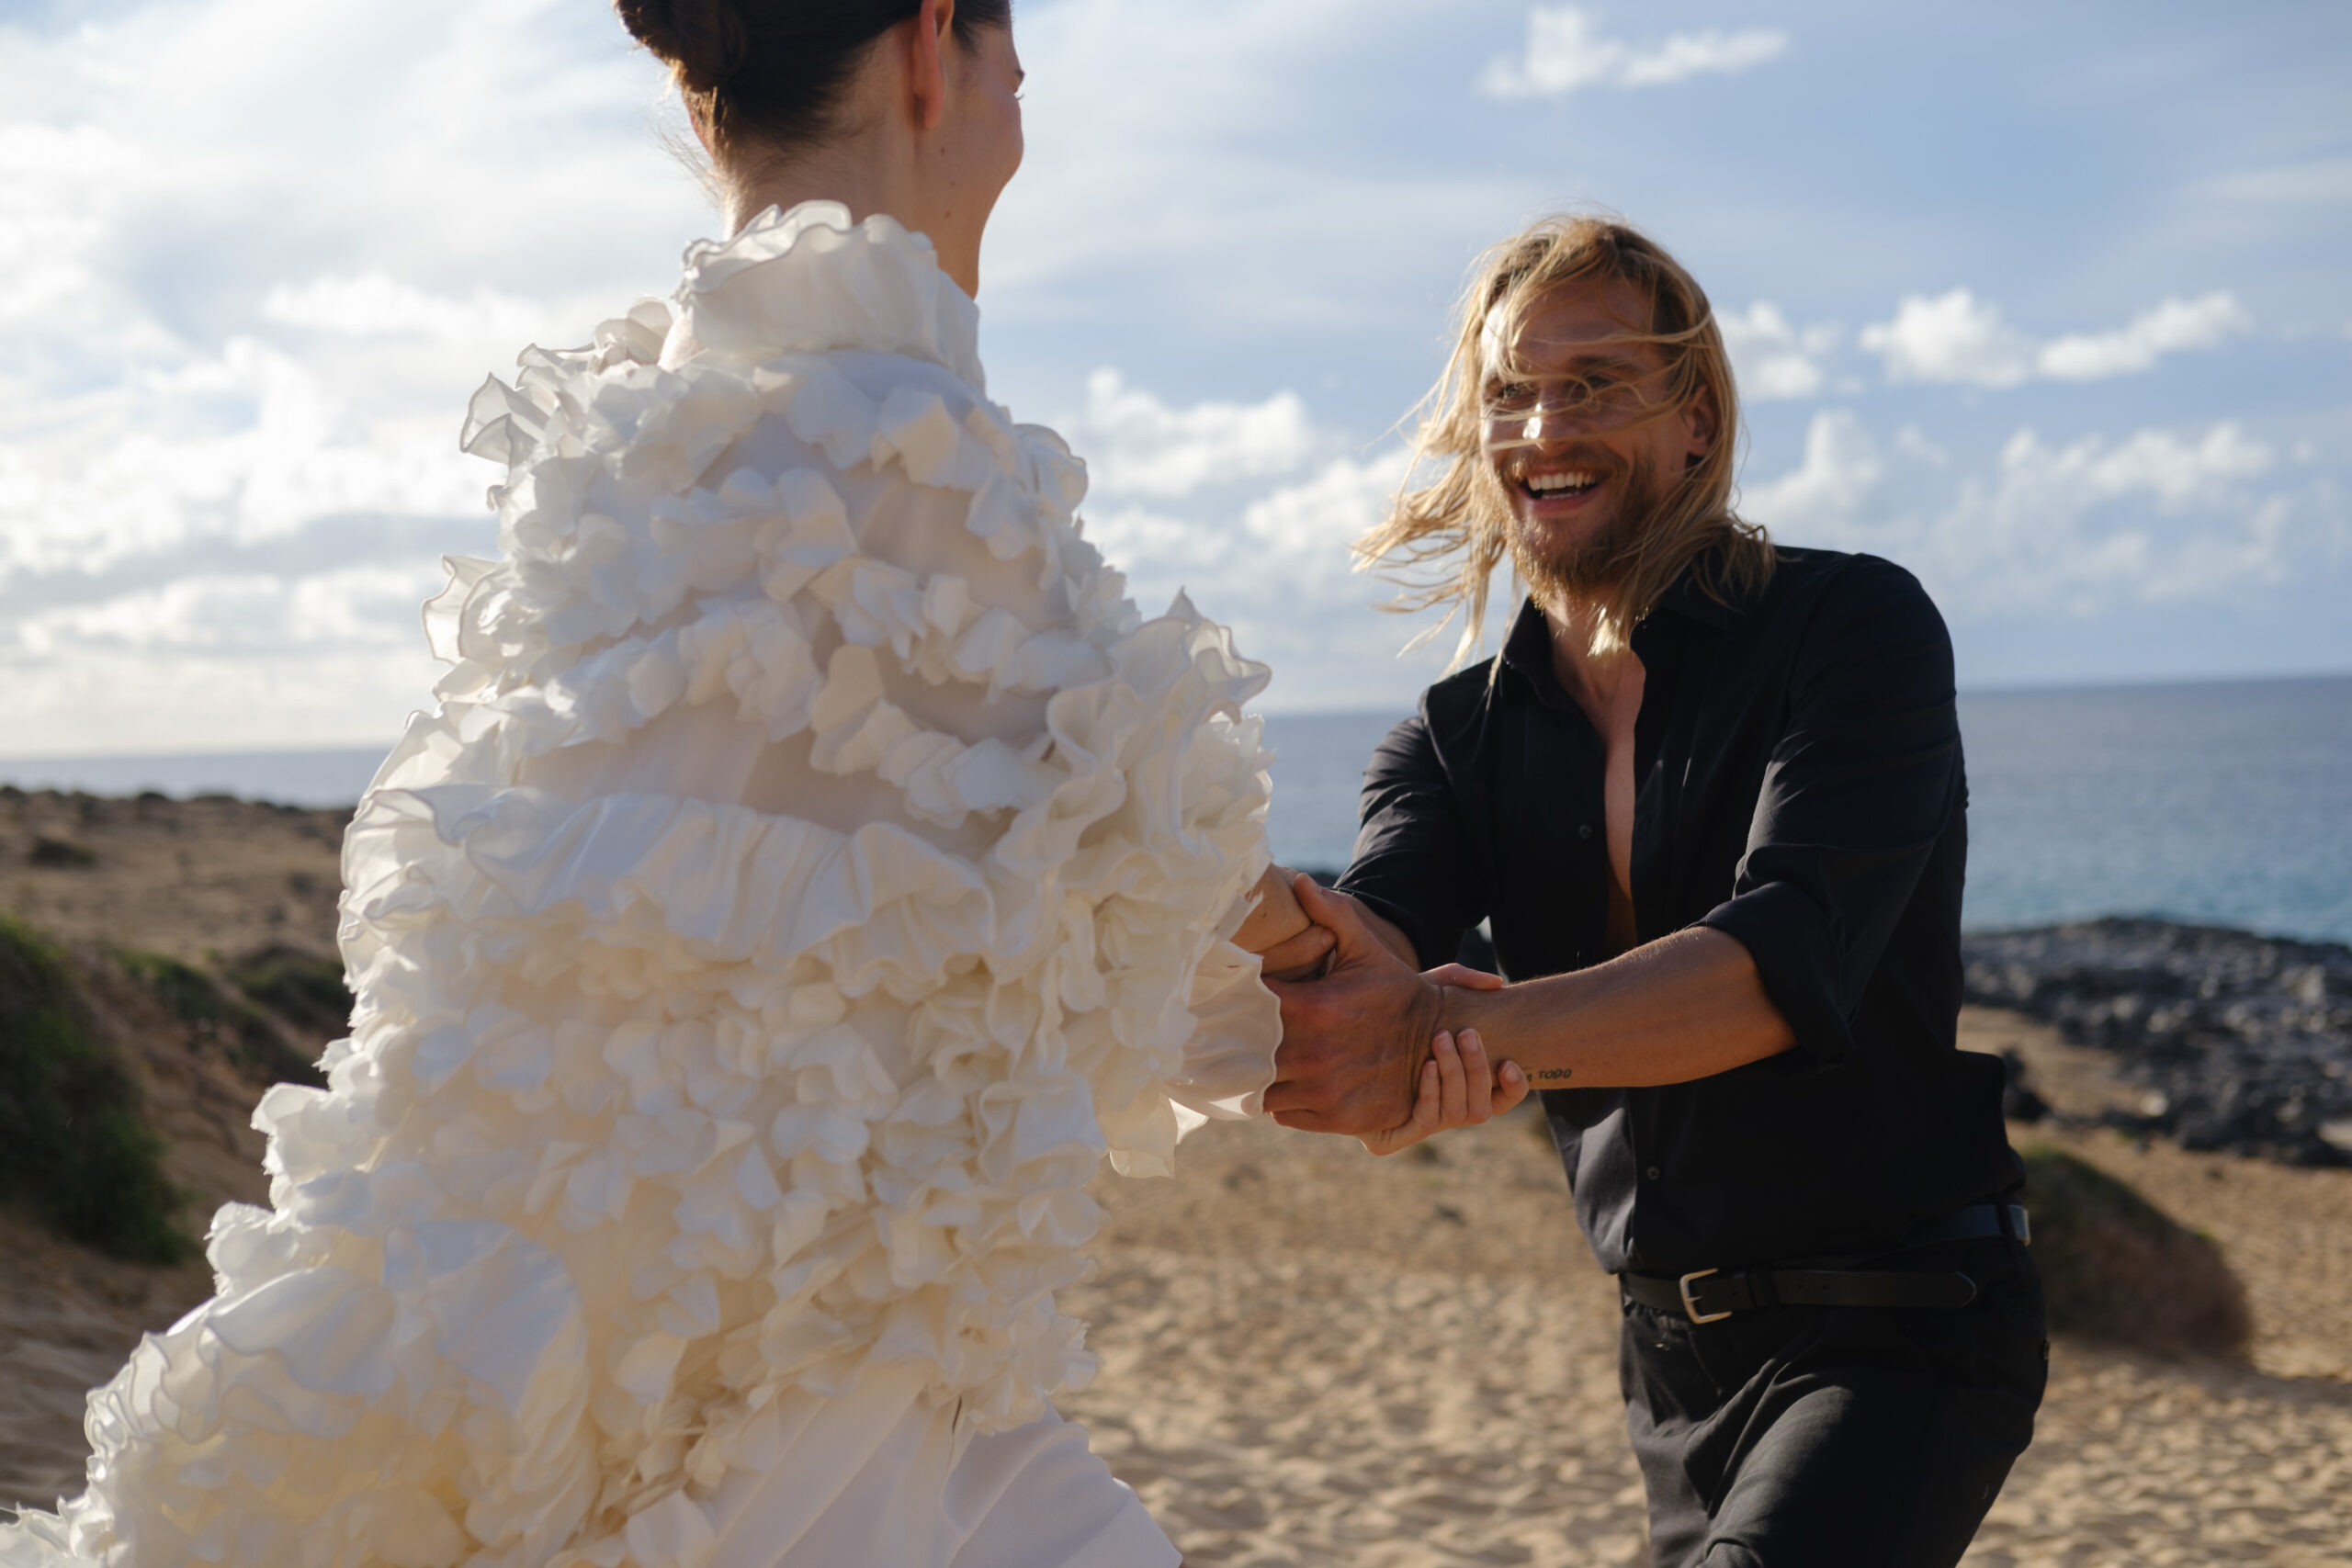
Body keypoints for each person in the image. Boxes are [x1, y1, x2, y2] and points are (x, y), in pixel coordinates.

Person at [0, 6, 1521, 1566]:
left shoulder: (627, 462)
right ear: (931, 46)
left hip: (568, 1327)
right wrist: (1390, 1015)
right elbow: (1115, 893)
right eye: (1008, 44)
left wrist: (1319, 994)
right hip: (784, 1405)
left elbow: (936, 913)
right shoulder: (906, 451)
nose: (1020, 83)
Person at [1260, 216, 2048, 1568]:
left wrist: (1450, 1039)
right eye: (1511, 389)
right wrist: (1149, 860)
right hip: (1668, 1375)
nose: (1542, 423)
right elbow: (1370, 934)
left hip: (1904, 1322)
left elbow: (1776, 963)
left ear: (1694, 421)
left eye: (1596, 382)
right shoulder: (1452, 740)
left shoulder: (1853, 632)